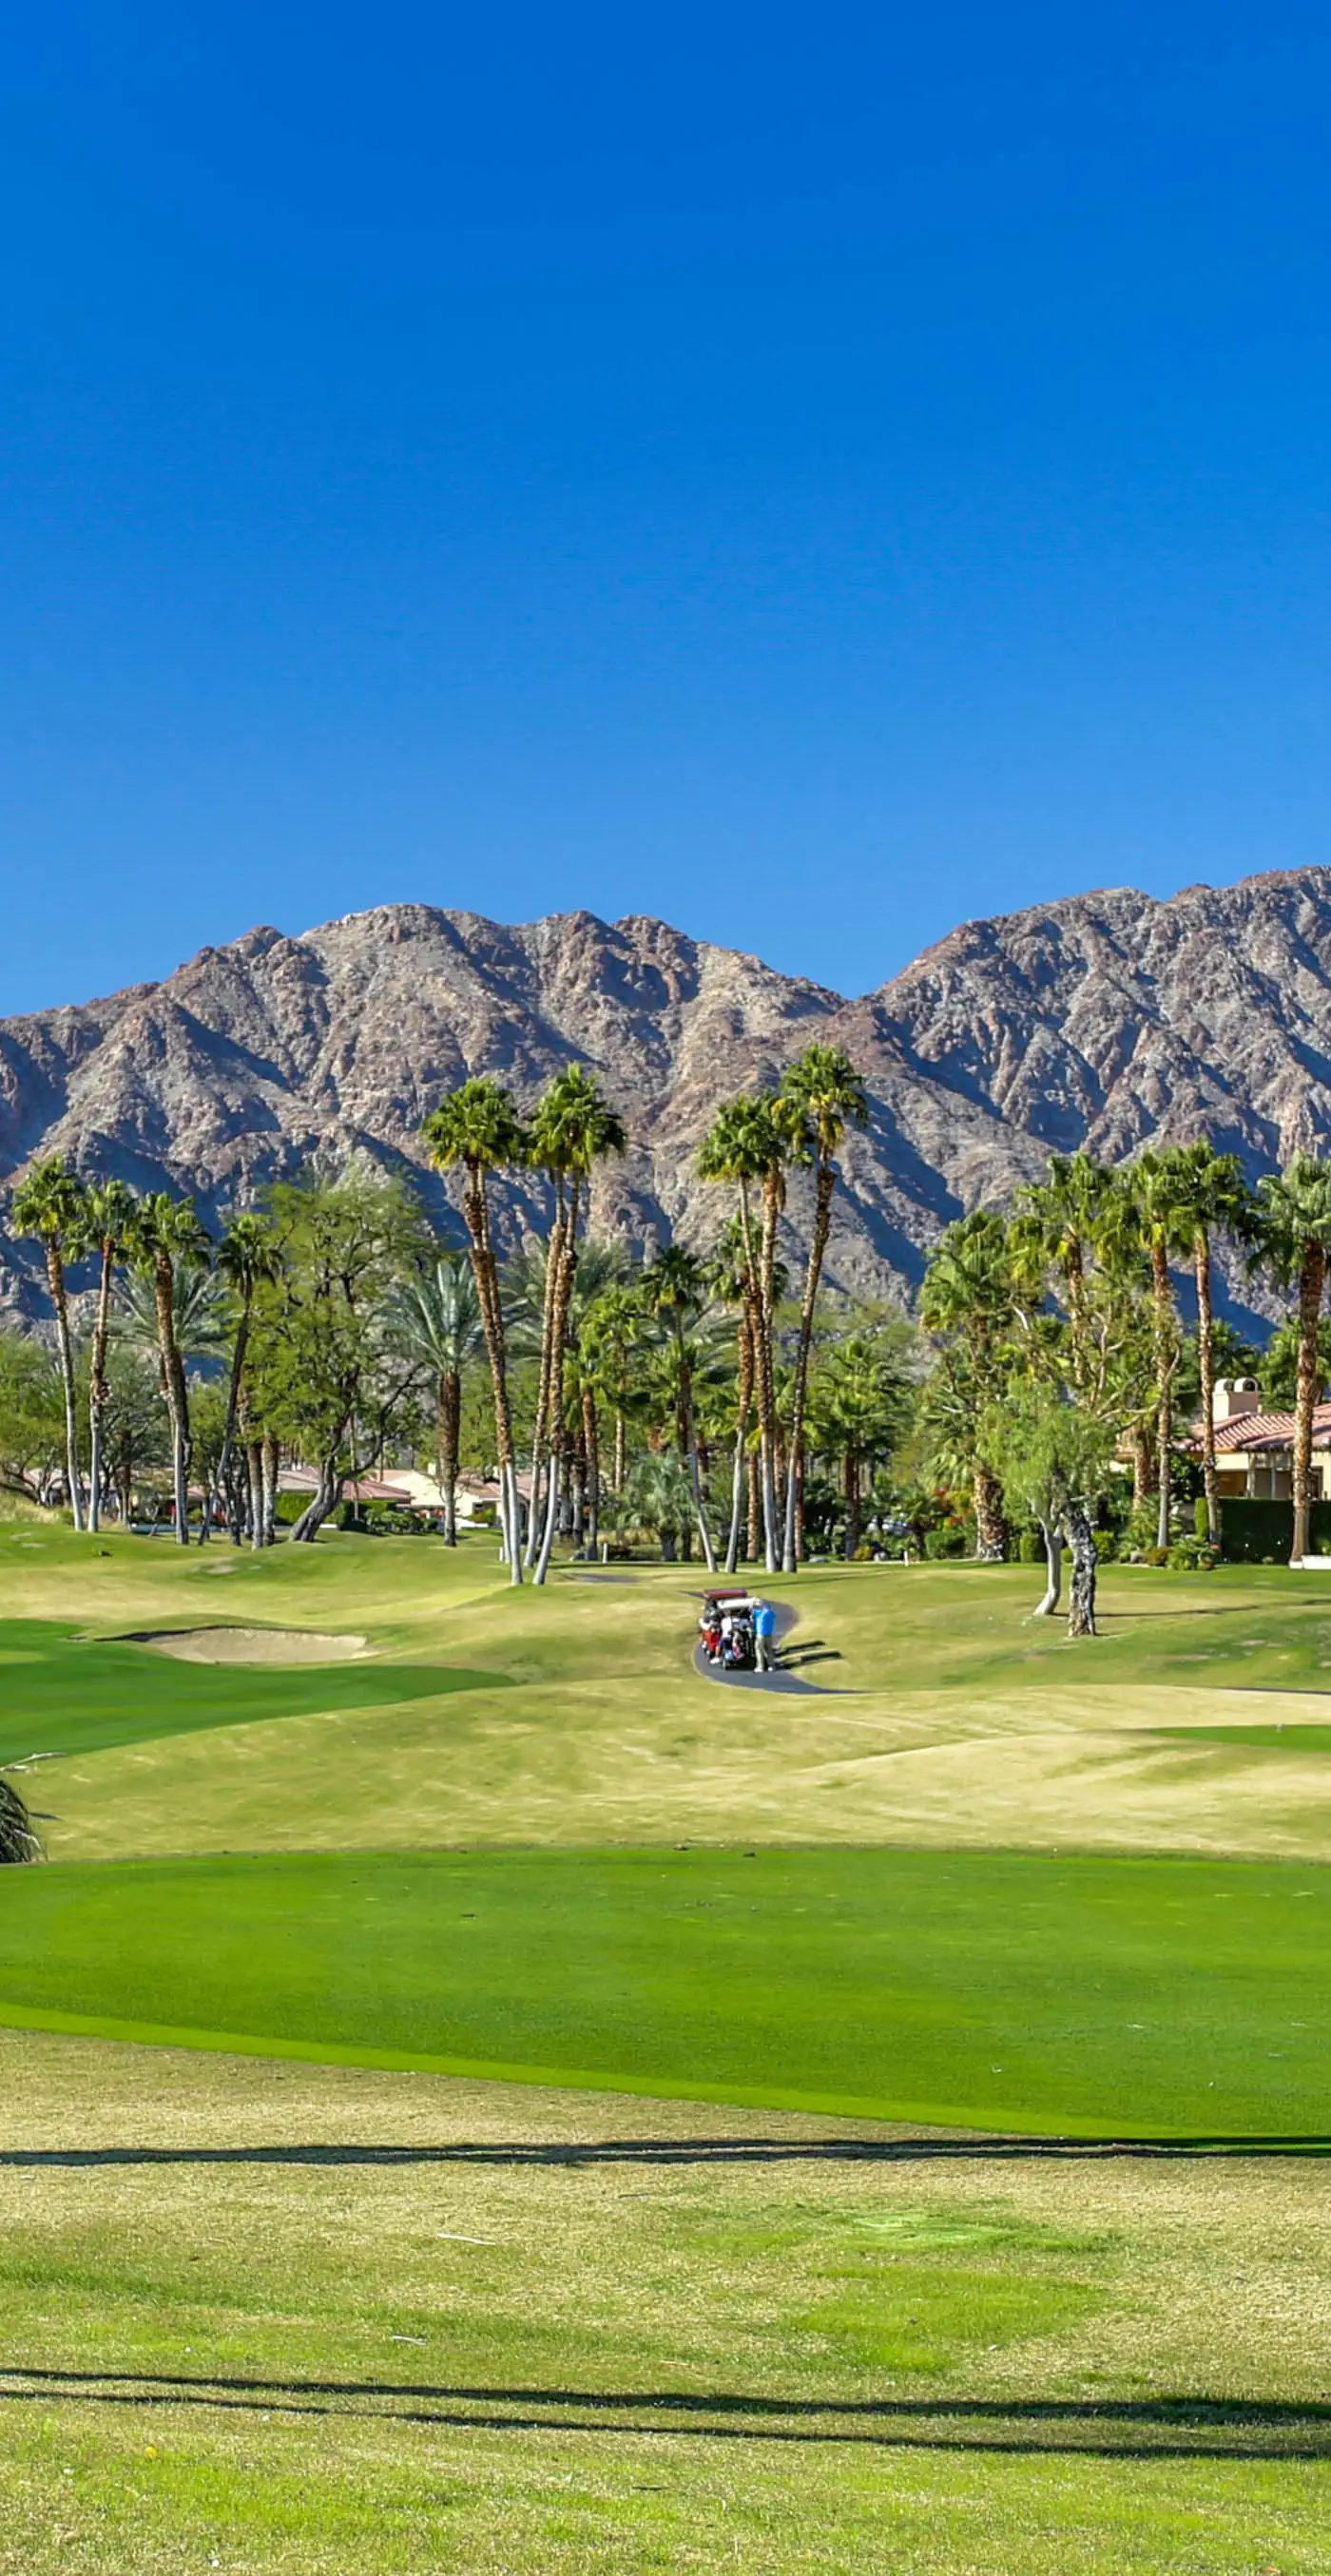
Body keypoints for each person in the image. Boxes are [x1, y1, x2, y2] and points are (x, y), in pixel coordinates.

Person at [752, 1596, 778, 1672]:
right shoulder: (772, 1613)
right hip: (769, 1635)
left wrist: (753, 1602)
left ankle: (760, 1667)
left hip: (761, 1635)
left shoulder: (760, 1613)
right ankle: (771, 1666)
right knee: (769, 1651)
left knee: (759, 1650)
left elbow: (751, 1610)